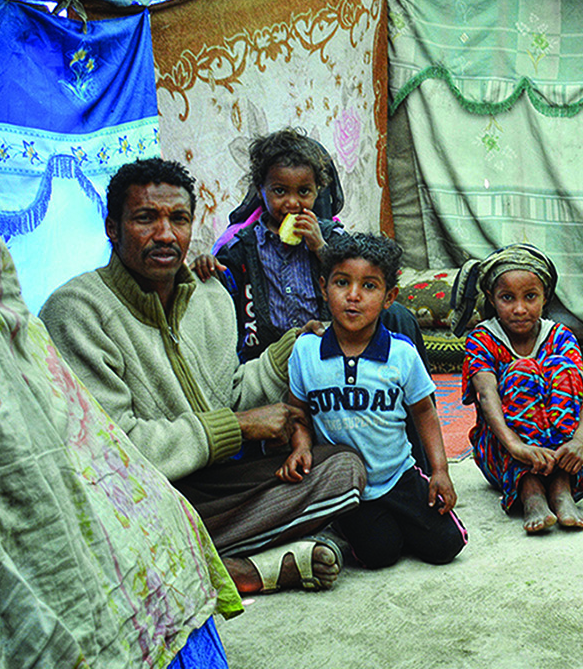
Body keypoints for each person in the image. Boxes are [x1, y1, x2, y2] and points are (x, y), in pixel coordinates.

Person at [40, 157, 366, 595]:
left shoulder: (209, 296)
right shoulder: (77, 311)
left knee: (344, 469)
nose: (165, 234)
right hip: (133, 497)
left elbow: (228, 393)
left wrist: (294, 349)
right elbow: (112, 451)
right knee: (95, 538)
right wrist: (238, 427)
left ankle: (193, 561)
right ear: (112, 229)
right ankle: (237, 571)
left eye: (178, 219)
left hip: (208, 490)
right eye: (145, 218)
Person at [279, 232, 466, 569]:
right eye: (341, 283)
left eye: (369, 286)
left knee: (446, 547)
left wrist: (439, 471)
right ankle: (347, 524)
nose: (353, 296)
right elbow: (297, 410)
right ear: (324, 288)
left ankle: (396, 522)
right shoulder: (306, 352)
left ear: (389, 296)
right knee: (380, 555)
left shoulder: (401, 354)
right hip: (353, 489)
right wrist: (301, 446)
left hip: (399, 474)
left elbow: (425, 412)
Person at [202, 129, 424, 362]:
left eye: (304, 192)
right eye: (279, 191)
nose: (292, 202)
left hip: (331, 348)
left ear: (317, 190)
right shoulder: (242, 246)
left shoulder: (328, 234)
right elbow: (221, 292)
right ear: (260, 189)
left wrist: (320, 247)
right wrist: (207, 267)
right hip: (271, 358)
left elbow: (356, 274)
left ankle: (412, 387)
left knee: (399, 316)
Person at [452, 243, 583, 534]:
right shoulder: (483, 339)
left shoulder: (560, 336)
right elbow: (487, 395)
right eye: (507, 298)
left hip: (561, 455)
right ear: (492, 297)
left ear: (545, 297)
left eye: (530, 297)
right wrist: (517, 447)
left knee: (564, 370)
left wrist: (580, 441)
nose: (519, 309)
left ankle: (560, 487)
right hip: (502, 452)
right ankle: (529, 490)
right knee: (522, 370)